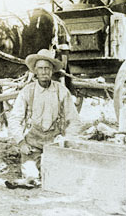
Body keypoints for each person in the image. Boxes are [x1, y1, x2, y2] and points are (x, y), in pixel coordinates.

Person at [7, 49, 82, 186]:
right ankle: (32, 174)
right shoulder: (27, 91)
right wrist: (21, 142)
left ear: (52, 70)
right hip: (32, 146)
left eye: (47, 68)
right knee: (31, 176)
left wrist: (66, 140)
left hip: (54, 144)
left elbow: (74, 120)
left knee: (58, 175)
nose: (43, 72)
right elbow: (14, 119)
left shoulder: (61, 91)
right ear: (35, 71)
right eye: (40, 68)